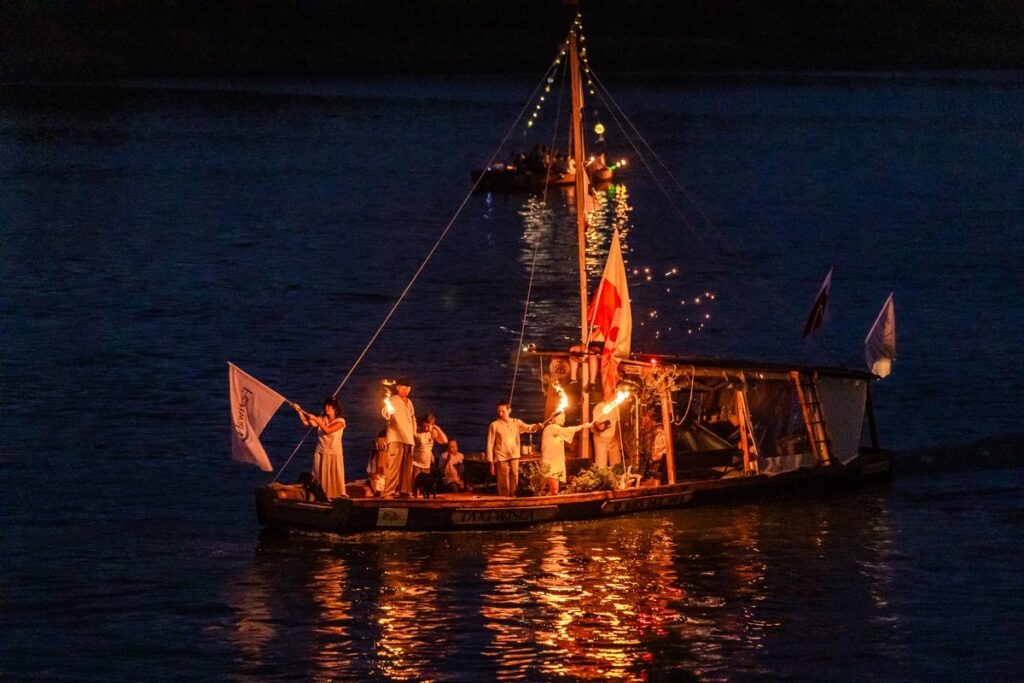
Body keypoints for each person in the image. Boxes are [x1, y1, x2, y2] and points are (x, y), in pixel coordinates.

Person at [292, 396, 347, 499]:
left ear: (335, 408)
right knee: (318, 476)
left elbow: (327, 430)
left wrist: (315, 419)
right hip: (320, 452)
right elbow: (306, 422)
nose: (326, 407)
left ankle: (335, 497)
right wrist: (299, 410)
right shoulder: (323, 418)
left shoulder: (340, 422)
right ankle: (320, 495)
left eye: (329, 406)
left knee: (333, 477)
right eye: (325, 405)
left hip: (333, 454)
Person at [486, 402, 540, 497]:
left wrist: (536, 426)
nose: (500, 413)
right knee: (503, 479)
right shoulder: (494, 425)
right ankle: (504, 498)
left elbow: (528, 428)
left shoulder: (516, 422)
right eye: (499, 411)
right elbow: (489, 444)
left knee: (515, 477)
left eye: (503, 411)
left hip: (514, 456)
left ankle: (512, 495)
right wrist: (491, 463)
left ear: (509, 410)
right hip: (501, 457)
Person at [540, 413, 591, 495]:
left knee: (555, 490)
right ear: (554, 419)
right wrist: (582, 427)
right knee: (554, 490)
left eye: (564, 417)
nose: (563, 419)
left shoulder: (557, 430)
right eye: (561, 417)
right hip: (550, 463)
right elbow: (567, 430)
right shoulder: (551, 428)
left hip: (555, 463)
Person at [381, 378, 416, 497]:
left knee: (407, 468)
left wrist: (414, 433)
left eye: (407, 388)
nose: (405, 389)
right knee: (393, 467)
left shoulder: (409, 402)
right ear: (397, 388)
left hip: (408, 438)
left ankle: (405, 491)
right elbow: (386, 412)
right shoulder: (392, 400)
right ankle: (389, 492)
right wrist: (388, 411)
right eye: (403, 387)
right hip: (396, 437)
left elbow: (412, 418)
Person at [412, 413, 448, 479]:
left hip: (426, 465)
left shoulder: (432, 433)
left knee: (424, 485)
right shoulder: (417, 431)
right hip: (415, 464)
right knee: (415, 485)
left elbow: (444, 441)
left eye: (428, 426)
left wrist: (436, 427)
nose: (426, 428)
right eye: (424, 426)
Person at [592, 398, 623, 468]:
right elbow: (595, 424)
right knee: (601, 465)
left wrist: (619, 442)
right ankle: (602, 477)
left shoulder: (616, 407)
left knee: (616, 465)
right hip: (600, 439)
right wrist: (599, 427)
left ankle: (617, 477)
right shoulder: (598, 407)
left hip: (613, 439)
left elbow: (617, 425)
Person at [367, 429, 388, 496]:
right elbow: (369, 469)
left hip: (388, 477)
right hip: (377, 477)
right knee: (378, 480)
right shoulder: (374, 453)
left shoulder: (391, 453)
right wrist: (372, 474)